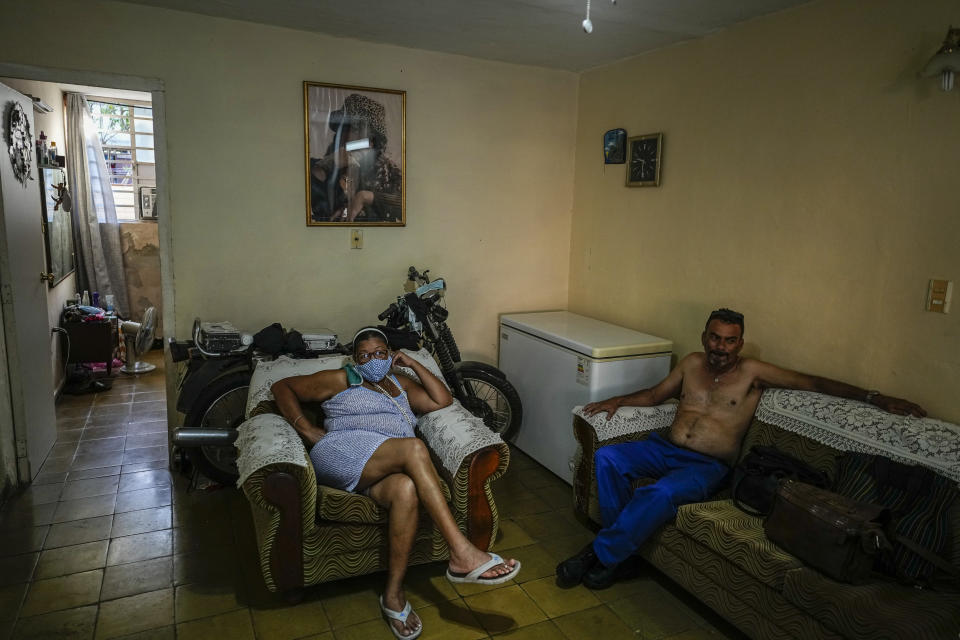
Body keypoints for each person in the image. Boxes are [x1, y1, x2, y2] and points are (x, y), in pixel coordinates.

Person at [556, 308, 925, 590]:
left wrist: (875, 398)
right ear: (704, 337)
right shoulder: (691, 363)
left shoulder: (753, 373)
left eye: (730, 340)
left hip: (705, 467)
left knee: (660, 493)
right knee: (607, 457)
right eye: (715, 338)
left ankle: (601, 553)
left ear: (741, 343)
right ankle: (623, 553)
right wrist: (618, 400)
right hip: (663, 448)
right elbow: (656, 395)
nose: (721, 347)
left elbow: (813, 382)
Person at [271, 328, 520, 639]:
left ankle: (392, 595)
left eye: (379, 353)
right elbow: (281, 387)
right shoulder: (343, 378)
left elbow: (441, 400)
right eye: (364, 355)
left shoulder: (399, 385)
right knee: (415, 448)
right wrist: (307, 430)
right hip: (341, 451)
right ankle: (461, 551)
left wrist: (412, 365)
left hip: (386, 466)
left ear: (389, 355)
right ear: (355, 359)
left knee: (406, 490)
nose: (372, 360)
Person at [309, 93, 402, 223]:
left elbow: (406, 203)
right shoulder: (318, 166)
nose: (346, 136)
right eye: (343, 128)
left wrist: (365, 197)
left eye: (357, 130)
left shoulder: (388, 173)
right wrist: (325, 167)